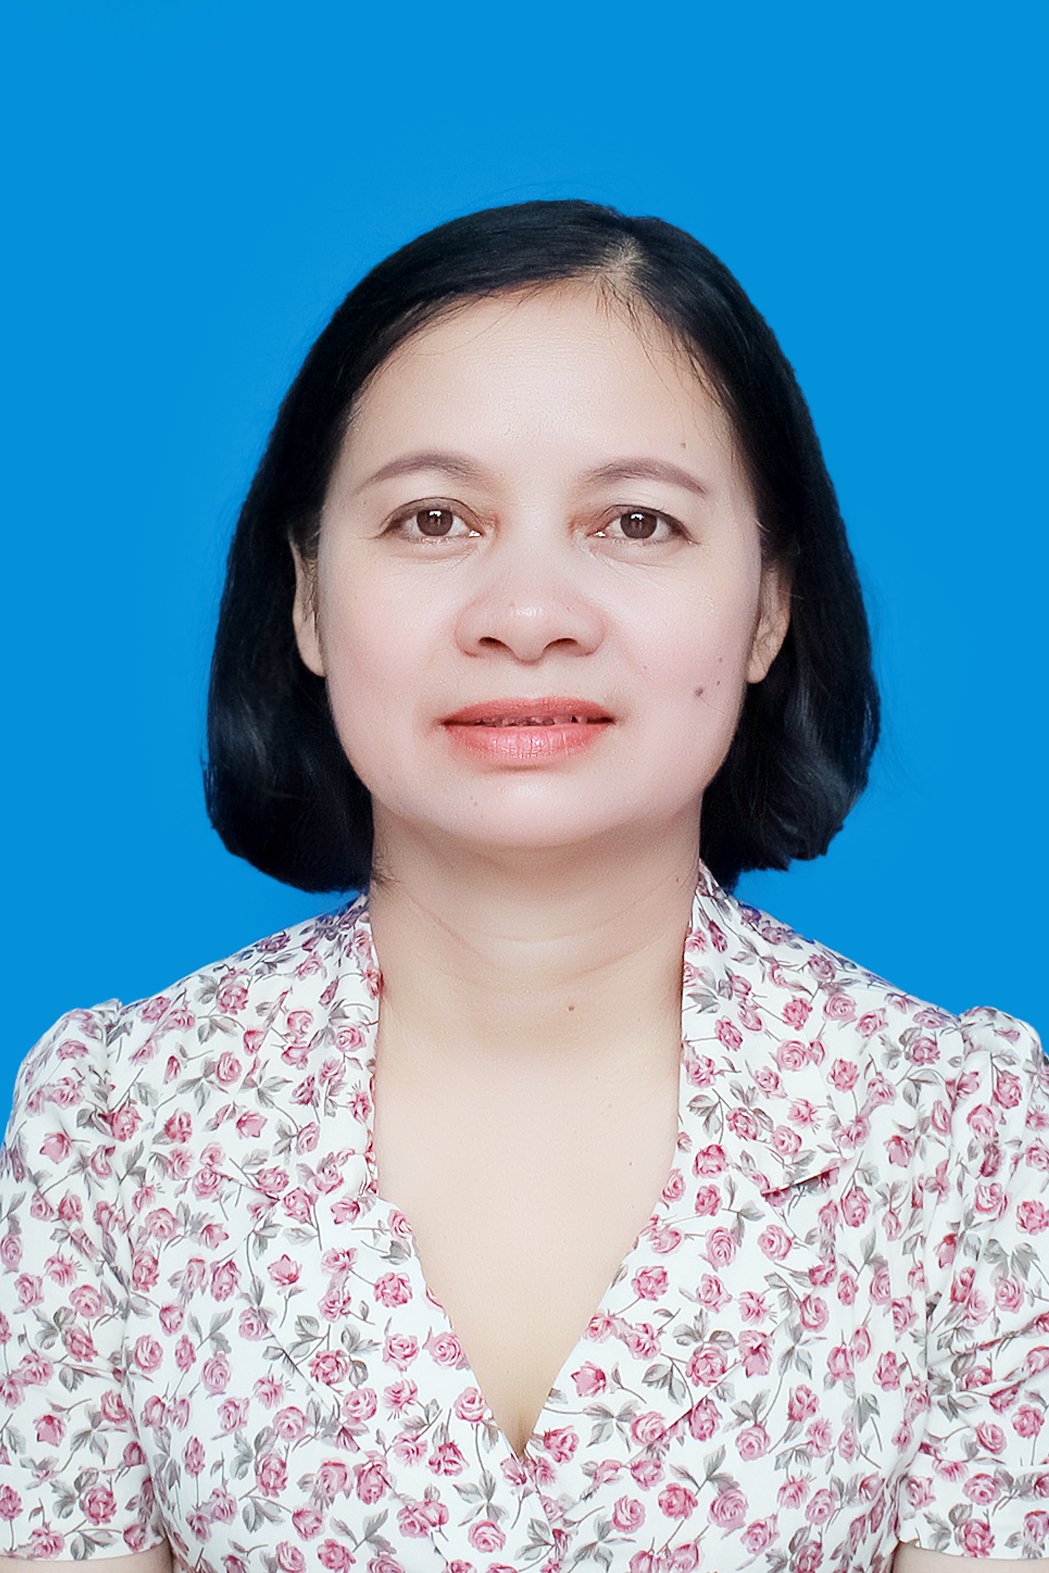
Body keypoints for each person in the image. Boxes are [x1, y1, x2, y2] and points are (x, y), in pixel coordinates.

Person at [0, 201, 1046, 1573]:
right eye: (433, 518)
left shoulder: (964, 1139)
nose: (529, 613)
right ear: (307, 596)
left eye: (637, 521)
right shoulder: (114, 1128)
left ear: (768, 605)